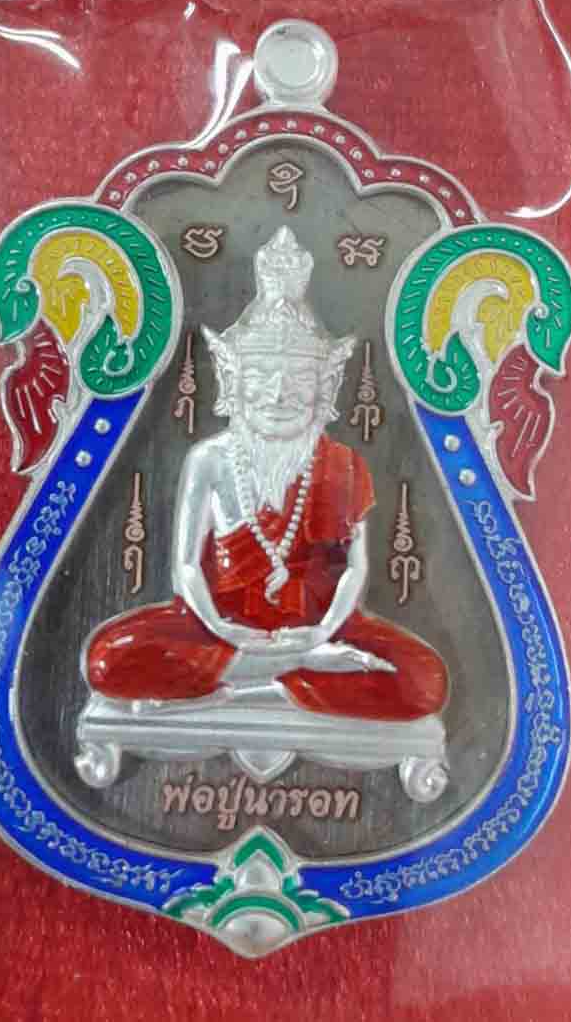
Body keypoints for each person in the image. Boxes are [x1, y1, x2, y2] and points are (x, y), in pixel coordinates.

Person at [83, 227, 448, 722]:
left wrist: (321, 632)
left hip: (318, 628)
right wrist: (222, 629)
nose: (278, 395)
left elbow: (354, 568)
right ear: (232, 382)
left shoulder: (342, 464)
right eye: (261, 377)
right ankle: (292, 673)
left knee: (425, 681)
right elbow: (186, 567)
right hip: (219, 629)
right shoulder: (210, 460)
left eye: (297, 379)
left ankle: (249, 679)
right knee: (107, 659)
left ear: (325, 387)